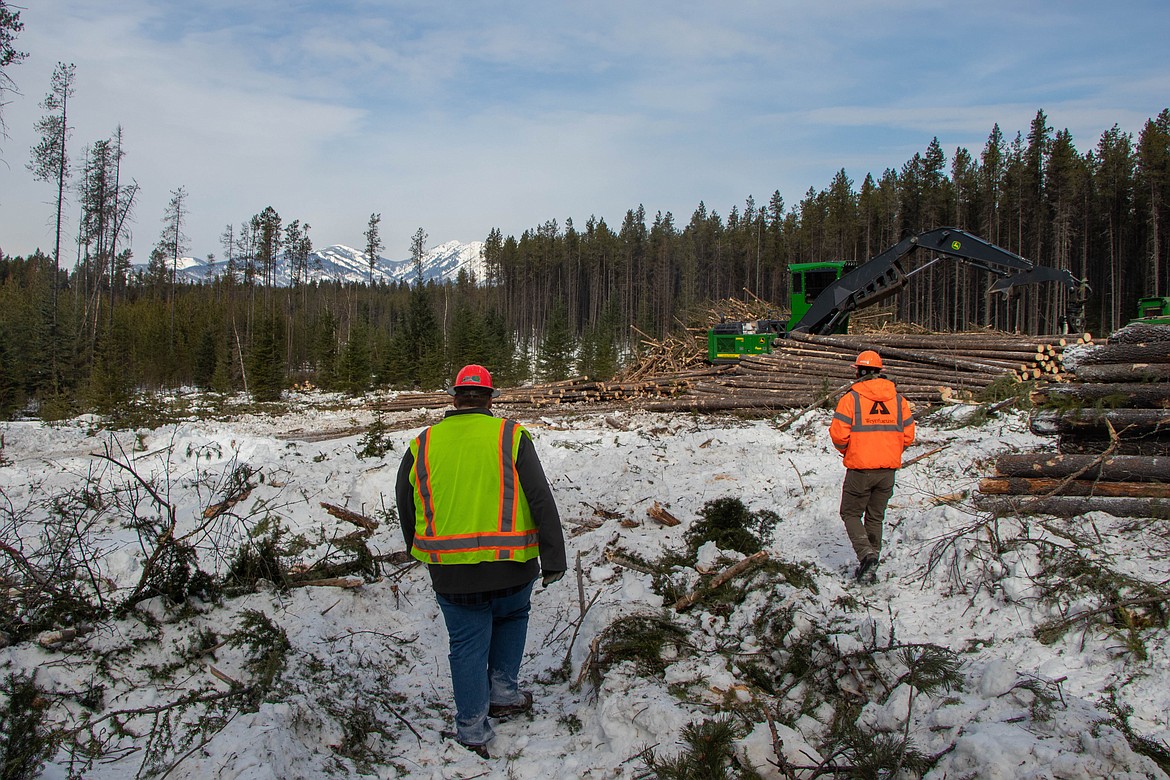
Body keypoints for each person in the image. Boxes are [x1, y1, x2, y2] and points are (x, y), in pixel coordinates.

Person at [395, 364, 567, 759]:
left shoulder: (423, 444)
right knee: (511, 617)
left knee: (468, 643)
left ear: (455, 398)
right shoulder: (511, 436)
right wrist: (553, 556)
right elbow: (540, 495)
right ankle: (504, 692)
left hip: (452, 575)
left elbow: (406, 502)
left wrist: (416, 548)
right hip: (512, 566)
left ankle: (472, 729)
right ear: (490, 399)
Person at [828, 350, 915, 582]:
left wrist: (850, 451)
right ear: (880, 372)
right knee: (875, 517)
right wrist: (889, 451)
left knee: (850, 513)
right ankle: (871, 565)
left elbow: (838, 435)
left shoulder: (851, 399)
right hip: (887, 471)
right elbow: (908, 435)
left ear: (859, 371)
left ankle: (867, 555)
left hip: (861, 470)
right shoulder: (898, 400)